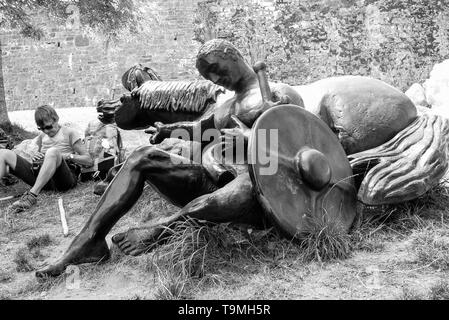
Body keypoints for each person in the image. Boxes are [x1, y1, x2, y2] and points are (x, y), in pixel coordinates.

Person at [36, 39, 304, 277]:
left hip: (260, 186)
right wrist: (167, 129)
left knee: (240, 188)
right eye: (207, 75)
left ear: (232, 55)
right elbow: (200, 129)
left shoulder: (279, 92)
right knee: (144, 155)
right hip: (216, 177)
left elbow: (299, 145)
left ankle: (162, 230)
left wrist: (249, 139)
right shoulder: (225, 106)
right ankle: (89, 242)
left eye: (216, 68)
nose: (214, 78)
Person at [0, 105, 93, 212]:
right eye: (41, 128)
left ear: (56, 119)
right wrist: (34, 156)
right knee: (3, 153)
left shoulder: (70, 133)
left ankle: (31, 196)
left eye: (48, 127)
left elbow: (88, 161)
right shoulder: (41, 137)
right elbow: (38, 156)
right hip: (43, 179)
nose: (46, 131)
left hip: (63, 179)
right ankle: (36, 188)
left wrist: (66, 156)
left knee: (52, 151)